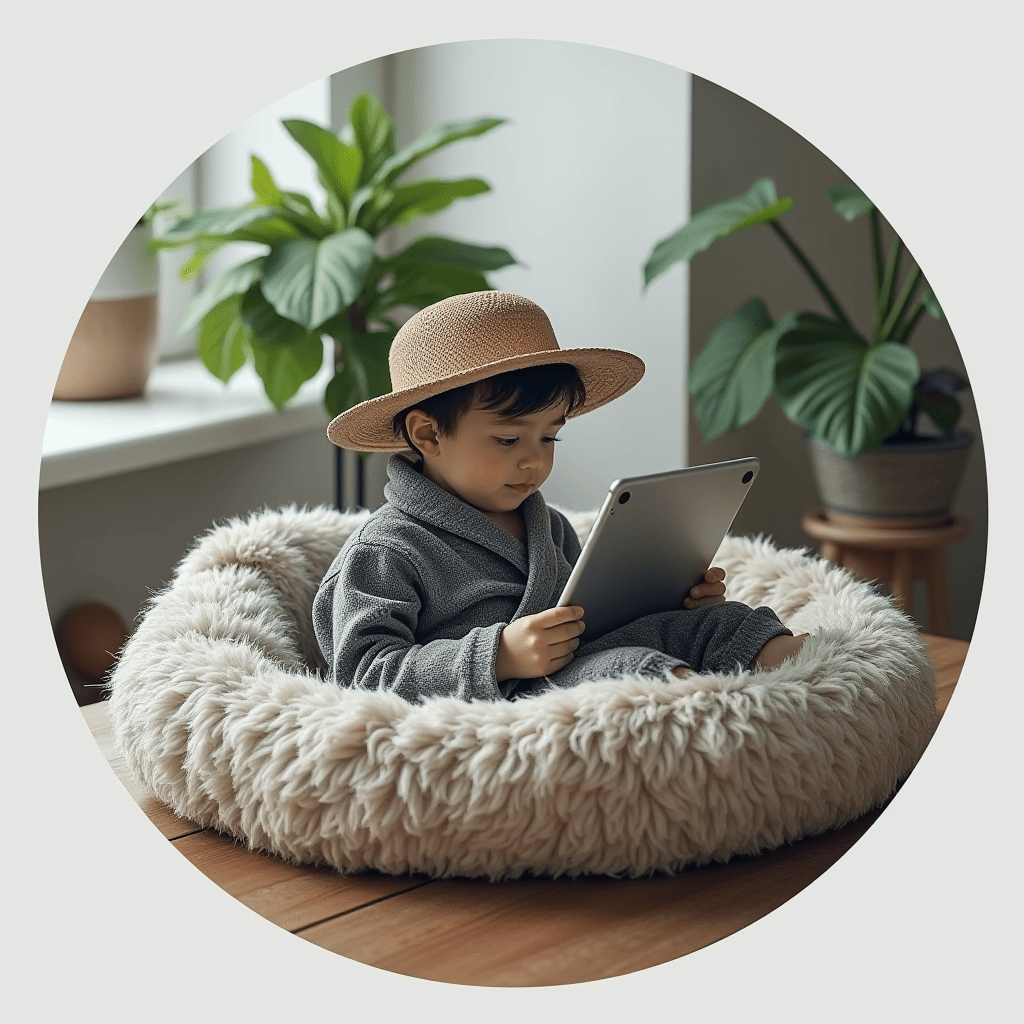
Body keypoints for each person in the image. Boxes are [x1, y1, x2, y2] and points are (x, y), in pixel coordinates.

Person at [313, 291, 807, 703]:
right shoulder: (384, 552)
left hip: (578, 661)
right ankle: (718, 723)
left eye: (550, 437)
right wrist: (498, 655)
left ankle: (809, 690)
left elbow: (596, 625)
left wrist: (676, 602)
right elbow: (365, 677)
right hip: (506, 702)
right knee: (632, 672)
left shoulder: (547, 527)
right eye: (508, 440)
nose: (535, 461)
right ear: (428, 435)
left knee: (724, 623)